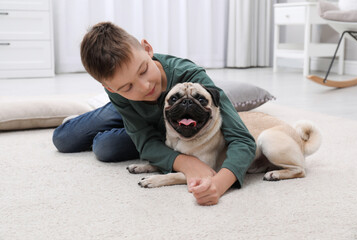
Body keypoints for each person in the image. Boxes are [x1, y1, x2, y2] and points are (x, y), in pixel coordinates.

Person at [52, 22, 256, 206]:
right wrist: (187, 163)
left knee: (105, 147)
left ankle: (124, 128)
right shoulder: (119, 92)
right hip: (128, 108)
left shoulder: (191, 77)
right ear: (111, 88)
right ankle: (106, 115)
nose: (144, 86)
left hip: (165, 129)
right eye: (127, 86)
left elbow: (243, 140)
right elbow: (147, 142)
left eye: (143, 71)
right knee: (63, 139)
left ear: (148, 49)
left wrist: (219, 185)